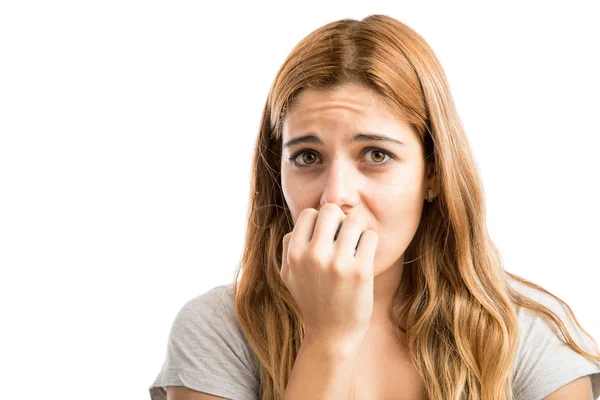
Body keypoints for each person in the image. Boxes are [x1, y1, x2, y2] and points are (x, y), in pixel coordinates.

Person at [149, 14, 600, 400]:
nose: (335, 195)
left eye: (376, 155)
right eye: (308, 157)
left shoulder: (528, 335)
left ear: (434, 174)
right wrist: (327, 340)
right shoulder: (218, 329)